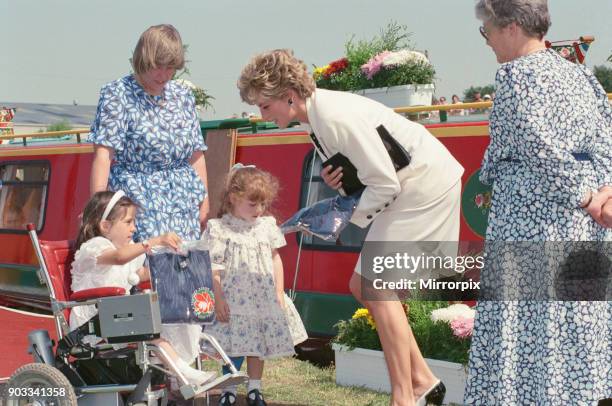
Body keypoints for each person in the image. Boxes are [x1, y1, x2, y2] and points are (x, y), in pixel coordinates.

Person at [238, 49, 464, 406]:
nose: (260, 114)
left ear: (288, 96)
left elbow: (385, 183)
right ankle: (422, 381)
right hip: (415, 184)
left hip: (422, 186)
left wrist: (347, 217)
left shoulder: (331, 118)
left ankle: (406, 395)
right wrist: (342, 184)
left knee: (372, 287)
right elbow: (374, 171)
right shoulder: (318, 117)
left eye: (264, 106)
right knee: (367, 286)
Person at [465, 0, 611, 404]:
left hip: (530, 218)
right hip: (583, 224)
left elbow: (537, 147)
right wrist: (600, 193)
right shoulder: (581, 76)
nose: (487, 42)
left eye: (487, 30)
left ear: (510, 27)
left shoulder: (514, 76)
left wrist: (583, 196)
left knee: (526, 324)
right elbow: (606, 142)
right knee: (572, 323)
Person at [88, 24, 208, 365]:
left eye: (172, 67)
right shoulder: (117, 94)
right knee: (158, 280)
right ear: (143, 59)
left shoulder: (182, 95)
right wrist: (101, 210)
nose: (165, 74)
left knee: (191, 280)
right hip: (139, 199)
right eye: (159, 66)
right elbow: (103, 155)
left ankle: (186, 360)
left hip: (183, 197)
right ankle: (163, 362)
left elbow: (196, 152)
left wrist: (205, 200)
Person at [70, 191, 216, 386]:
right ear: (105, 226)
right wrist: (154, 241)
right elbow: (118, 258)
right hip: (93, 321)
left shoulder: (127, 249)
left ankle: (178, 372)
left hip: (116, 316)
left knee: (171, 317)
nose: (134, 228)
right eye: (128, 222)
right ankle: (182, 373)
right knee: (149, 327)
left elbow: (140, 273)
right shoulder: (94, 247)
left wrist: (177, 263)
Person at [202, 165, 307, 406]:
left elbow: (274, 258)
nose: (259, 210)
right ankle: (229, 386)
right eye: (252, 204)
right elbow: (213, 267)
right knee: (233, 344)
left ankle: (255, 388)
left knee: (257, 344)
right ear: (233, 198)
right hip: (234, 298)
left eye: (262, 204)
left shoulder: (267, 226)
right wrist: (218, 298)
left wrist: (279, 291)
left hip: (262, 296)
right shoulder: (220, 229)